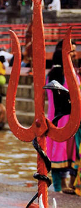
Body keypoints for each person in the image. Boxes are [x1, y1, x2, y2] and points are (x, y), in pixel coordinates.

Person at [47, 39, 79, 194]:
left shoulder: (65, 73)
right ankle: (64, 185)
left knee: (65, 152)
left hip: (65, 119)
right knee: (64, 152)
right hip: (64, 120)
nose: (74, 54)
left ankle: (67, 185)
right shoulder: (62, 75)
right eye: (71, 51)